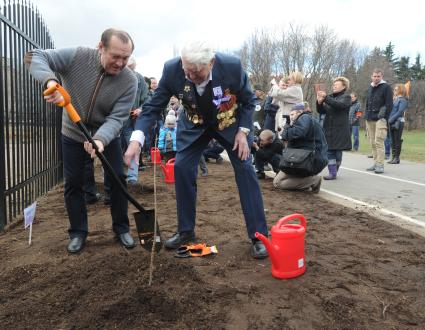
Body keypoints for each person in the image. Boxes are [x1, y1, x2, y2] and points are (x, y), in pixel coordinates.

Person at [125, 40, 269, 259]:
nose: (190, 76)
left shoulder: (231, 67)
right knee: (182, 167)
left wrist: (244, 131)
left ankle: (259, 236)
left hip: (229, 125)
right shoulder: (172, 69)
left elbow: (249, 101)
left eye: (196, 72)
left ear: (211, 62)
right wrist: (137, 139)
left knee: (246, 169)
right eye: (187, 71)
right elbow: (153, 107)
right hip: (194, 125)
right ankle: (186, 231)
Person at [25, 28, 137, 253]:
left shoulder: (129, 81)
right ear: (100, 47)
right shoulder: (77, 56)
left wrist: (101, 140)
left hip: (108, 136)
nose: (120, 63)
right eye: (115, 56)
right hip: (72, 133)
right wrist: (50, 83)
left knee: (117, 181)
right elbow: (34, 56)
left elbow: (117, 118)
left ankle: (121, 228)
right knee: (73, 183)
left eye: (125, 58)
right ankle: (78, 232)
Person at [273, 104, 327, 192]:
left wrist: (285, 130)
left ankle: (314, 180)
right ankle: (307, 182)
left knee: (278, 183)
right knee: (277, 182)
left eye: (292, 114)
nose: (290, 117)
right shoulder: (307, 120)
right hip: (300, 158)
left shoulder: (305, 117)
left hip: (308, 160)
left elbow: (299, 132)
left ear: (300, 112)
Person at [316, 77, 352, 180]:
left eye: (337, 84)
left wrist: (325, 98)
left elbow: (339, 105)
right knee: (330, 150)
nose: (334, 86)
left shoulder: (346, 97)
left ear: (344, 86)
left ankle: (335, 168)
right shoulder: (330, 97)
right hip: (329, 128)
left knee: (338, 152)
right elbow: (322, 111)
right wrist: (319, 102)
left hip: (340, 129)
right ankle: (332, 172)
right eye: (334, 85)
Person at [120, 56, 149, 184]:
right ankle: (114, 178)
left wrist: (141, 109)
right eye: (128, 68)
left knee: (134, 146)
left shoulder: (140, 80)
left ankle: (132, 177)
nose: (130, 71)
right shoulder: (115, 77)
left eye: (132, 69)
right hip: (116, 119)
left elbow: (147, 99)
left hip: (133, 120)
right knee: (114, 147)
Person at [364, 68, 393, 174]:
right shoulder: (370, 87)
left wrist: (384, 117)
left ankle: (380, 165)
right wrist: (366, 115)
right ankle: (375, 163)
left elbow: (389, 104)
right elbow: (367, 102)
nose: (376, 78)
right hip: (369, 118)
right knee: (372, 142)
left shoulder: (386, 87)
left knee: (378, 141)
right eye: (374, 76)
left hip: (380, 118)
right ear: (372, 76)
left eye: (378, 76)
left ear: (381, 77)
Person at [269, 73, 304, 137]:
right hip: (285, 119)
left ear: (294, 80)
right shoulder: (293, 89)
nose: (288, 81)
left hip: (290, 119)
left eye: (290, 79)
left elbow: (278, 94)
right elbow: (274, 101)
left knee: (286, 139)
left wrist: (275, 85)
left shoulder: (295, 89)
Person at [387, 84, 408, 164]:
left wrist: (391, 119)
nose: (394, 91)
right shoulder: (395, 99)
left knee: (397, 140)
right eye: (394, 90)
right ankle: (393, 157)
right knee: (392, 140)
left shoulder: (403, 100)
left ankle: (397, 158)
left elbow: (400, 112)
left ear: (401, 90)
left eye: (396, 90)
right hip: (392, 122)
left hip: (398, 122)